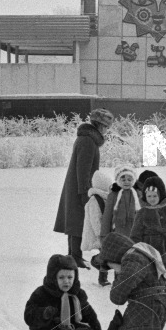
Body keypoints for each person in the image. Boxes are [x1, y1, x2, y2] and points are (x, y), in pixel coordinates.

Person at [53, 108, 113, 268]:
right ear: (99, 126)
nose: (107, 130)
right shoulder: (88, 141)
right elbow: (83, 170)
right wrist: (84, 192)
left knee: (75, 220)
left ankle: (73, 254)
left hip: (77, 185)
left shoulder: (87, 139)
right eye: (106, 127)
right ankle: (74, 256)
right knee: (78, 221)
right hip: (81, 186)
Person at [24, 254, 108, 330]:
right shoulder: (42, 294)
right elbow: (29, 315)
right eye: (61, 277)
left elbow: (92, 318)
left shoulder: (77, 296)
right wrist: (44, 313)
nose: (66, 281)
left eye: (70, 277)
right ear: (53, 278)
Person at [131, 175, 166, 280]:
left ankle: (164, 290)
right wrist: (135, 248)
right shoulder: (142, 212)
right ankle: (151, 291)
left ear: (161, 195)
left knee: (165, 269)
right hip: (148, 248)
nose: (152, 199)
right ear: (145, 196)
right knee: (149, 270)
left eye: (155, 196)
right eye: (149, 196)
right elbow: (136, 233)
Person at [81, 170, 114, 286]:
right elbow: (95, 220)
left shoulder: (105, 198)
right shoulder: (95, 200)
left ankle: (103, 277)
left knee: (107, 255)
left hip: (106, 233)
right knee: (105, 255)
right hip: (99, 234)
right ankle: (98, 267)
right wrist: (100, 234)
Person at [100, 164, 139, 242]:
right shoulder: (113, 195)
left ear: (133, 180)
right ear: (118, 180)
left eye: (129, 179)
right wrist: (104, 235)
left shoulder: (138, 195)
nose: (126, 182)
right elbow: (107, 216)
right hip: (118, 232)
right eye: (123, 180)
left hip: (135, 233)